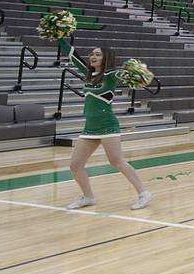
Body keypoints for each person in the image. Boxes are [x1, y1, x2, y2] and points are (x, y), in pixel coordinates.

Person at [57, 36, 153, 211]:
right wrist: (60, 36)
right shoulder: (88, 74)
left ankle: (143, 193)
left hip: (108, 126)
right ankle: (88, 197)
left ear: (106, 58)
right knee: (75, 165)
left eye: (98, 55)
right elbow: (73, 56)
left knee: (117, 161)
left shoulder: (110, 75)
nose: (93, 56)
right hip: (90, 128)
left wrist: (136, 73)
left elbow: (126, 73)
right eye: (92, 54)